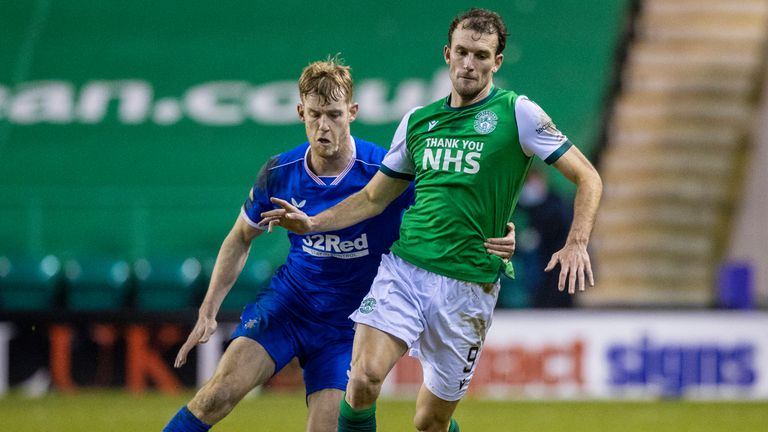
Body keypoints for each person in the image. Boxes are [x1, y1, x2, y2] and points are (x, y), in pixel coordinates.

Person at [261, 8, 603, 432]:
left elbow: (587, 176)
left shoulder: (519, 114)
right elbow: (372, 198)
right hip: (405, 271)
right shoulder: (418, 122)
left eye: (481, 55)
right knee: (363, 379)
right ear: (447, 53)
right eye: (461, 52)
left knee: (430, 422)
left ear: (497, 62)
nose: (469, 63)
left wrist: (576, 242)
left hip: (468, 288)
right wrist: (312, 222)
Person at [162, 57, 517, 432]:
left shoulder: (387, 171)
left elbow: (448, 214)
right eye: (314, 115)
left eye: (334, 114)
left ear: (353, 112)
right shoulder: (279, 173)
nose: (323, 126)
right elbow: (239, 237)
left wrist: (500, 231)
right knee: (216, 395)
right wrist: (208, 309)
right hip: (289, 307)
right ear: (300, 112)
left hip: (349, 326)